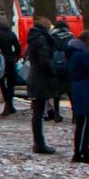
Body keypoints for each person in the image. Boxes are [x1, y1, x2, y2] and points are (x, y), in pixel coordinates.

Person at [68, 30, 89, 165]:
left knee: (83, 122)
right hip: (85, 89)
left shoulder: (77, 53)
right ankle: (82, 151)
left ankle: (81, 151)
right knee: (85, 122)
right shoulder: (82, 55)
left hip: (81, 88)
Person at [25, 16, 58, 154]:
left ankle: (38, 142)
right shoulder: (42, 40)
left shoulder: (33, 39)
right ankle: (39, 143)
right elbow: (45, 60)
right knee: (38, 113)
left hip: (34, 77)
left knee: (37, 113)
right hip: (41, 79)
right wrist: (53, 71)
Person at [0, 14, 21, 116]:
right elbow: (18, 49)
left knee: (2, 84)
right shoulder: (11, 34)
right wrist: (14, 57)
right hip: (10, 62)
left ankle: (8, 104)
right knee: (11, 85)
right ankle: (9, 105)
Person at [48, 19, 74, 122]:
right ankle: (75, 115)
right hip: (68, 68)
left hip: (55, 68)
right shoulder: (71, 37)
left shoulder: (52, 37)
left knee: (57, 94)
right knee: (71, 92)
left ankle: (56, 114)